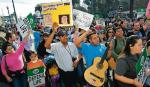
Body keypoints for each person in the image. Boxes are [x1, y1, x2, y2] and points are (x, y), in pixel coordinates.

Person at [45, 23, 80, 87]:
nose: (64, 37)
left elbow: (77, 55)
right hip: (64, 73)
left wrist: (77, 61)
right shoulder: (55, 46)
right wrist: (53, 32)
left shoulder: (72, 45)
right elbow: (46, 45)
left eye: (65, 35)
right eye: (62, 36)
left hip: (74, 71)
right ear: (59, 38)